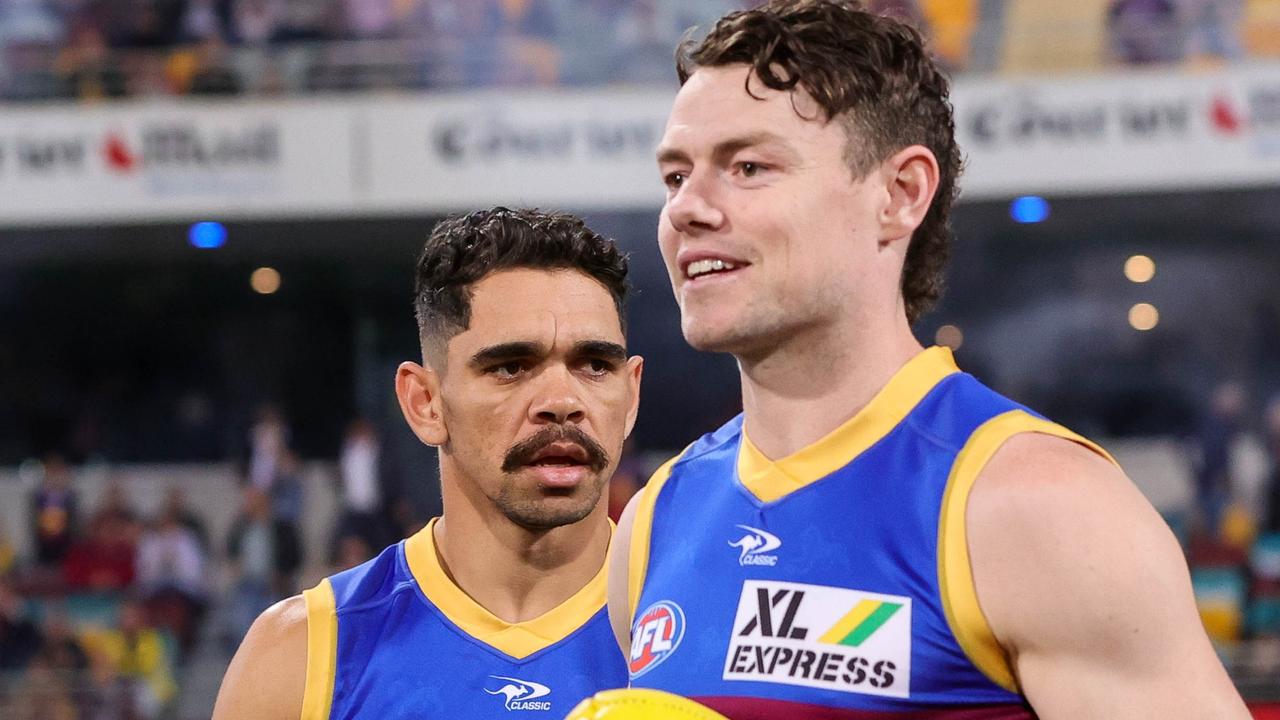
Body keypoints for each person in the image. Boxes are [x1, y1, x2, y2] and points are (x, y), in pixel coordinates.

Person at [604, 1, 1249, 717]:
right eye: (674, 177)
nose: (687, 209)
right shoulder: (655, 520)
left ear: (900, 194)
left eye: (749, 166)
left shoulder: (1039, 507)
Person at [212, 207, 641, 719]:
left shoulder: (712, 629)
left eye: (595, 365)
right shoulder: (299, 658)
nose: (562, 400)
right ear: (425, 403)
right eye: (510, 367)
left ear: (631, 396)